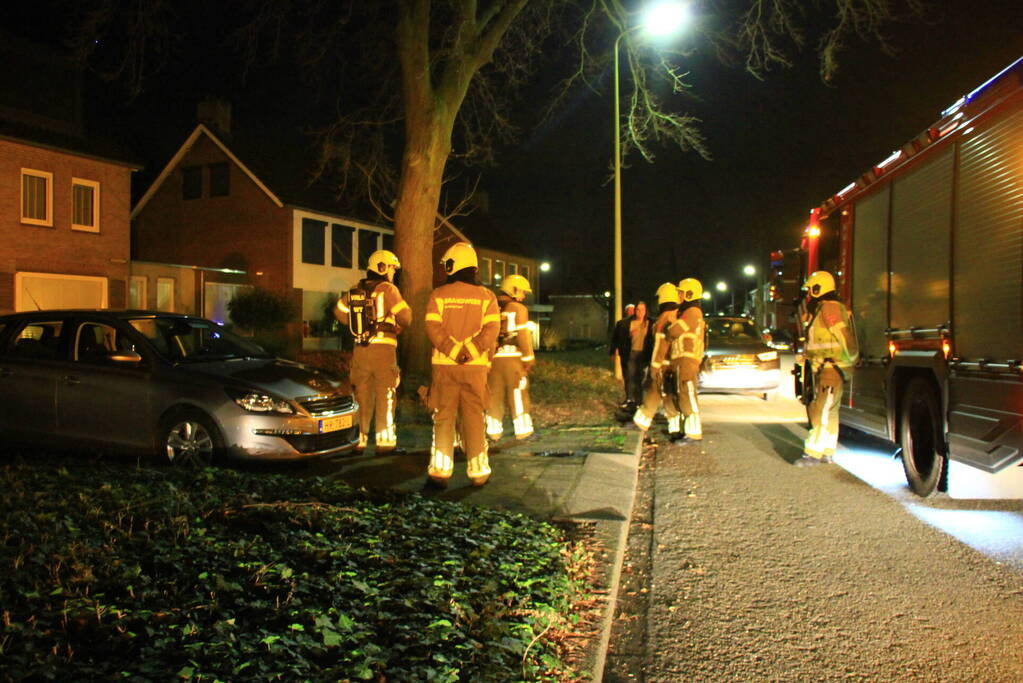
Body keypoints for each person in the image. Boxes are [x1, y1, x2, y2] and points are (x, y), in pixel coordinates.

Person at [425, 242, 501, 487]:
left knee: (443, 417)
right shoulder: (487, 297)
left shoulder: (438, 295)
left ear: (452, 266)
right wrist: (469, 351)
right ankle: (478, 473)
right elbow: (492, 330)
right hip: (475, 368)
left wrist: (453, 350)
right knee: (475, 417)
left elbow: (432, 328)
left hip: (444, 367)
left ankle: (440, 472)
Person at [334, 249, 411, 453]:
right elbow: (406, 317)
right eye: (392, 268)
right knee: (385, 395)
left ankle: (359, 441)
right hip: (383, 351)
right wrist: (397, 325)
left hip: (360, 349)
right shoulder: (388, 289)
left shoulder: (355, 289)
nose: (393, 273)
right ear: (383, 268)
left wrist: (353, 324)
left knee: (361, 395)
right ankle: (385, 443)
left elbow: (339, 311)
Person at [795, 270, 859, 466]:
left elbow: (843, 335)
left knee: (820, 410)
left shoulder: (829, 308)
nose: (809, 295)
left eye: (811, 290)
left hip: (831, 368)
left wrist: (851, 358)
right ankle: (827, 451)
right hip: (827, 367)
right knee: (830, 411)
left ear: (818, 288)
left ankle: (813, 453)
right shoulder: (823, 308)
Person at [486, 273, 536, 443]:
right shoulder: (519, 309)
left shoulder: (491, 305)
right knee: (518, 393)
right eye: (522, 292)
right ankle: (523, 430)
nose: (523, 296)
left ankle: (493, 431)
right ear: (513, 290)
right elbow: (522, 335)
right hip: (513, 358)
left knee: (494, 395)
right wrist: (528, 357)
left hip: (493, 359)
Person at [633, 283, 683, 439]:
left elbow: (661, 345)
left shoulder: (664, 319)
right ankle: (674, 428)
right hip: (674, 364)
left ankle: (640, 422)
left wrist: (654, 367)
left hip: (662, 364)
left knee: (654, 393)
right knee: (668, 395)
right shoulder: (678, 316)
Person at [666, 279, 706, 441]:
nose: (678, 296)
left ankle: (693, 432)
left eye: (681, 292)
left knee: (687, 393)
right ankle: (687, 429)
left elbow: (674, 331)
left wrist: (670, 322)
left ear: (689, 294)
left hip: (687, 361)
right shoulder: (689, 312)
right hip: (682, 361)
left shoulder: (692, 313)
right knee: (682, 393)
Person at [621, 301, 653, 410]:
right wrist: (630, 335)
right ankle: (630, 398)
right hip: (632, 353)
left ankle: (640, 401)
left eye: (642, 310)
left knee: (640, 378)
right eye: (638, 310)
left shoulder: (650, 323)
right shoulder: (630, 323)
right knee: (630, 376)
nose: (640, 312)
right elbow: (622, 338)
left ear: (645, 311)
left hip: (643, 354)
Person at [610, 302, 636, 401]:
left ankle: (636, 398)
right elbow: (615, 339)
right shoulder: (620, 324)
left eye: (633, 310)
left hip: (638, 353)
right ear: (626, 312)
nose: (631, 312)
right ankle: (629, 397)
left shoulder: (641, 322)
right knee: (627, 376)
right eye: (629, 310)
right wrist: (612, 352)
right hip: (625, 353)